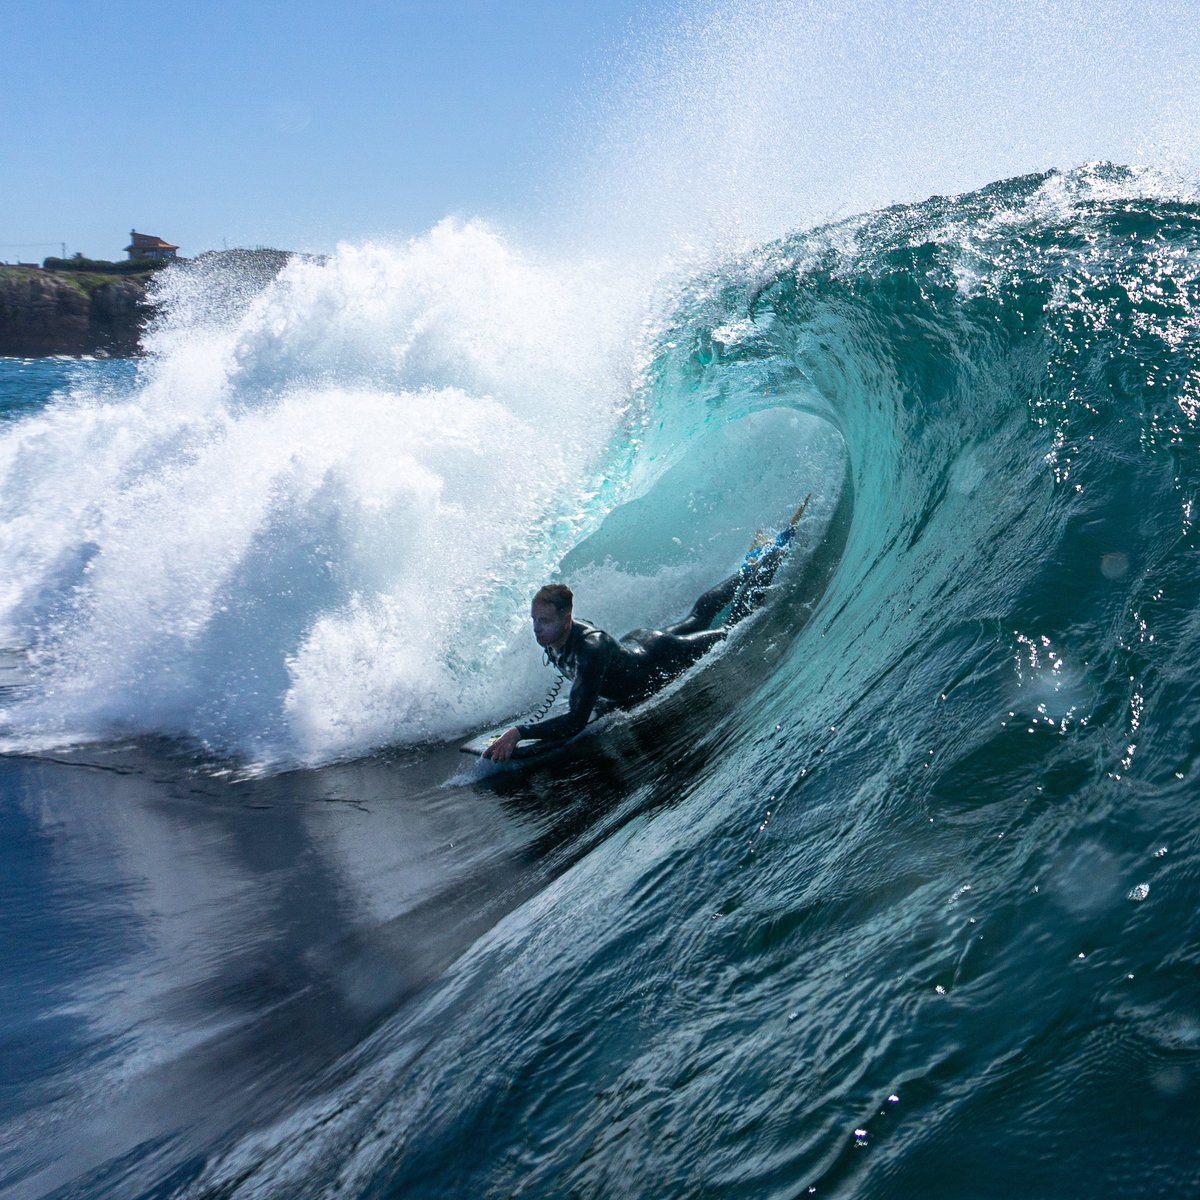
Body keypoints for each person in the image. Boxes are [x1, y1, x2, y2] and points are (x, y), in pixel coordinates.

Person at [483, 496, 810, 762]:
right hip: (641, 643)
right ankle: (747, 566)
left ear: (566, 619)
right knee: (697, 617)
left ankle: (773, 554)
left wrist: (520, 732)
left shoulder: (590, 650)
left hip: (659, 658)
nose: (537, 630)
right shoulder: (557, 638)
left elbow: (576, 721)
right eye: (534, 620)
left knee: (734, 627)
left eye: (545, 621)